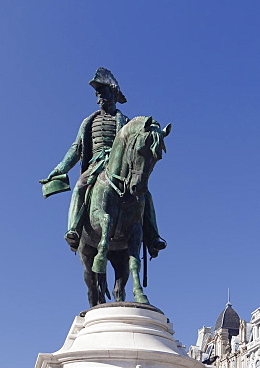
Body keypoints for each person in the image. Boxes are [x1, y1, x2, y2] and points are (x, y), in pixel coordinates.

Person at [40, 68, 166, 256]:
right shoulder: (89, 121)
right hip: (95, 166)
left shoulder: (125, 121)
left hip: (122, 169)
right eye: (97, 93)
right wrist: (60, 168)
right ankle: (73, 229)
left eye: (103, 92)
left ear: (113, 94)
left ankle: (153, 236)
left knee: (145, 193)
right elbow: (76, 148)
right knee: (81, 185)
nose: (99, 97)